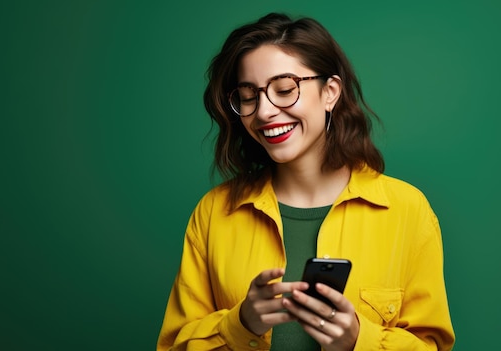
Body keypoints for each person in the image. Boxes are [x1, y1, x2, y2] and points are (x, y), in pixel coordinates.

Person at [157, 12, 455, 351]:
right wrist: (240, 325)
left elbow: (432, 346)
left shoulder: (407, 211)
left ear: (330, 92)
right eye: (248, 95)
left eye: (284, 89)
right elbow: (173, 346)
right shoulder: (214, 213)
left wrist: (360, 340)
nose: (264, 111)